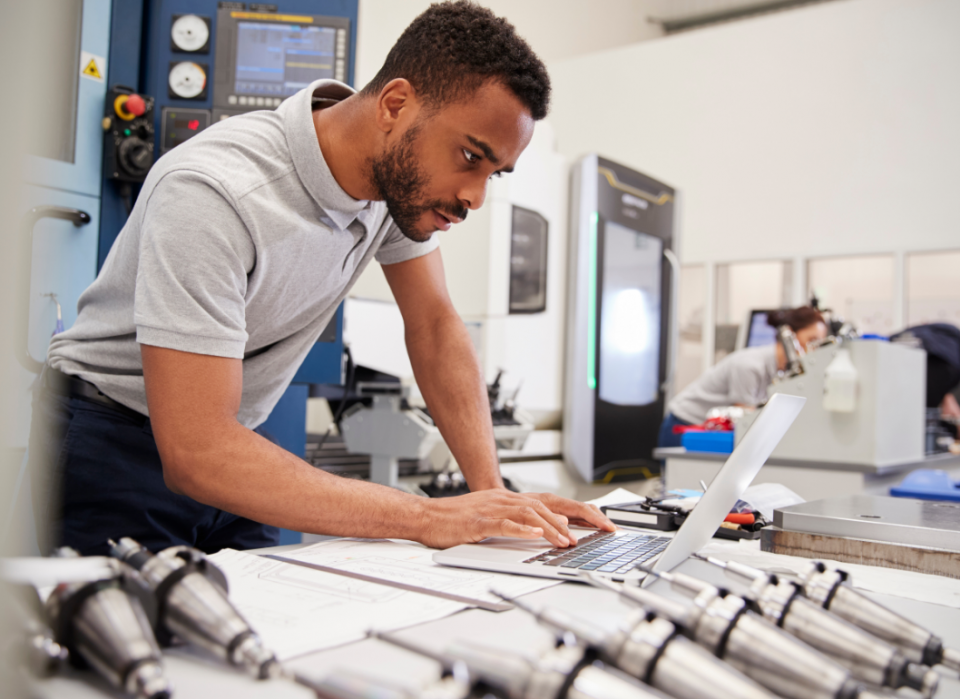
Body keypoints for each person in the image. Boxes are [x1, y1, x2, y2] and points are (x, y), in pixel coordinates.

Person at [30, 1, 614, 556]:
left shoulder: (392, 188)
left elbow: (435, 326)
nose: (474, 197)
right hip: (114, 446)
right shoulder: (215, 192)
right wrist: (431, 516)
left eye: (496, 173)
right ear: (395, 105)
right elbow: (196, 453)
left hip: (235, 448)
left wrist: (495, 498)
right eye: (469, 157)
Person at [658, 306, 828, 448]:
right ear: (789, 336)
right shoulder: (749, 366)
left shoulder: (784, 369)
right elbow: (746, 418)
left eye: (818, 344)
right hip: (684, 424)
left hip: (711, 431)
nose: (813, 349)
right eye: (810, 340)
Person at [890, 323, 960, 439]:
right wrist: (958, 431)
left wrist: (945, 395)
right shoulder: (949, 368)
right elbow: (924, 419)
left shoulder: (952, 334)